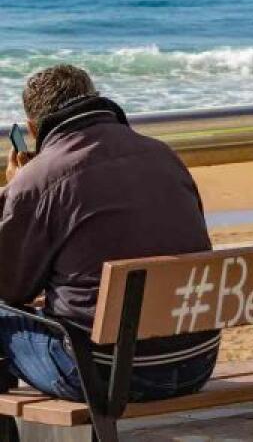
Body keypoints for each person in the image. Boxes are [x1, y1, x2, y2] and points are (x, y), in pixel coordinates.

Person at [0, 65, 220, 402]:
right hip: (195, 361)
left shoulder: (39, 179)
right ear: (95, 96)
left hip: (105, 374)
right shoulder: (164, 155)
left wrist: (16, 189)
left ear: (32, 127)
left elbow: (9, 286)